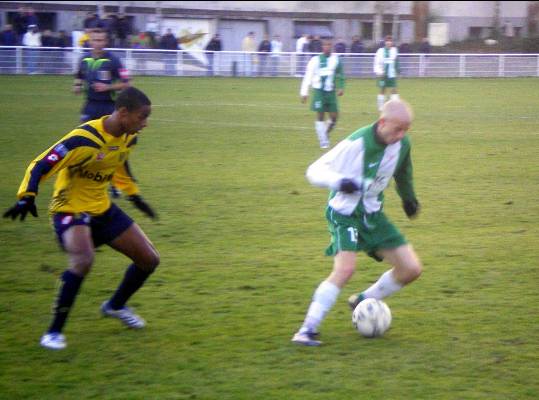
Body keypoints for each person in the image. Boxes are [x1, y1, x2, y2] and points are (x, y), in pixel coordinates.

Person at [3, 87, 160, 350]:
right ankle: (53, 332)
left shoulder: (128, 138)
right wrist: (26, 195)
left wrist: (135, 197)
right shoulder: (84, 139)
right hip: (69, 208)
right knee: (84, 259)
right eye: (142, 117)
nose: (145, 123)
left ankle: (115, 306)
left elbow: (118, 165)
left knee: (149, 260)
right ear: (123, 112)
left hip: (102, 208)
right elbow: (41, 163)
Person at [291, 99, 422, 346]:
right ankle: (307, 329)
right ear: (382, 122)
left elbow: (403, 172)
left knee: (411, 268)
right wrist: (341, 182)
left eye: (406, 130)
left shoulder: (402, 144)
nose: (401, 135)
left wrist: (409, 199)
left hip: (373, 215)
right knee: (345, 269)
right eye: (397, 129)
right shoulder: (356, 143)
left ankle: (363, 299)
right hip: (344, 213)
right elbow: (314, 171)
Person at [74, 28, 130, 197]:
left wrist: (108, 87)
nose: (97, 43)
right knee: (83, 144)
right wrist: (76, 85)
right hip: (89, 107)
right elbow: (79, 76)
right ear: (89, 41)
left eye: (100, 40)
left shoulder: (113, 60)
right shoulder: (84, 59)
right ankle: (82, 181)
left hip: (108, 108)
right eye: (94, 40)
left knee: (110, 147)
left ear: (105, 42)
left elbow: (127, 82)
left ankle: (113, 183)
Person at [300, 39, 345, 149]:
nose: (327, 47)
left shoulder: (336, 60)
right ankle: (323, 141)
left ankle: (324, 133)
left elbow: (340, 74)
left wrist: (341, 87)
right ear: (322, 47)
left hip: (331, 92)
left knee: (334, 117)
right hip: (319, 91)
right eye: (325, 45)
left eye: (329, 45)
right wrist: (304, 92)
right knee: (320, 116)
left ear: (332, 47)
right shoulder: (315, 60)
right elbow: (308, 76)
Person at [374, 35, 400, 111]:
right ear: (385, 42)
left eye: (390, 41)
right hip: (383, 74)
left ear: (392, 43)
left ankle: (395, 107)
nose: (389, 43)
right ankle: (381, 107)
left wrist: (397, 71)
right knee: (382, 90)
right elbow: (377, 63)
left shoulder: (394, 50)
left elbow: (396, 62)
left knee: (394, 89)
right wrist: (379, 72)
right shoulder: (380, 51)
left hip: (391, 74)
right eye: (387, 41)